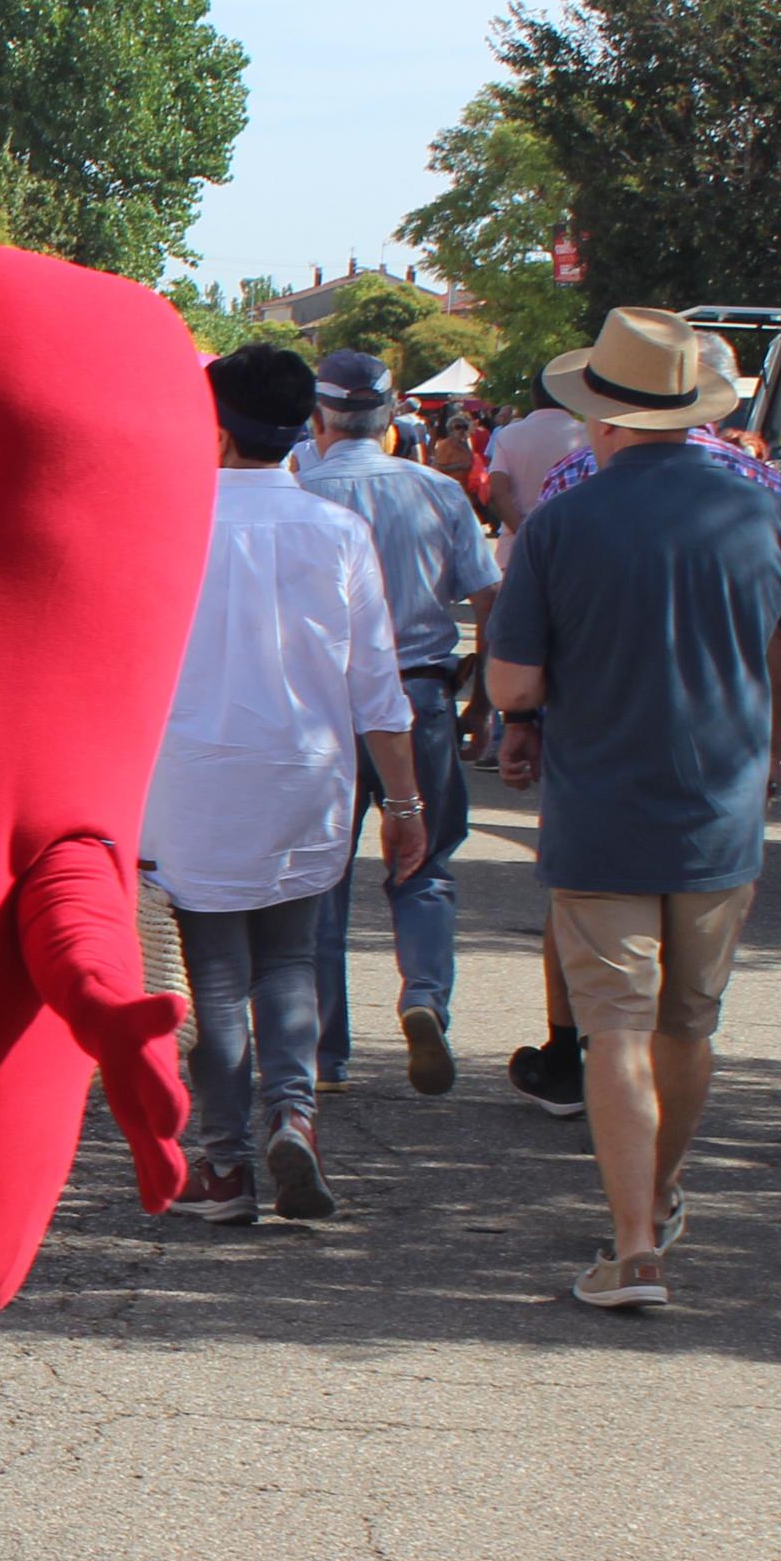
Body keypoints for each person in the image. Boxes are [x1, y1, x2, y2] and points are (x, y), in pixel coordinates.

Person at [486, 308, 781, 1310]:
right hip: (719, 810)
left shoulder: (563, 521)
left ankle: (631, 1242)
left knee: (612, 1026)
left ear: (599, 415)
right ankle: (655, 1198)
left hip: (598, 805)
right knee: (687, 1025)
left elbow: (513, 685)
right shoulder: (760, 508)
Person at [145, 347, 428, 1225]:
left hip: (189, 781)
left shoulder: (164, 527)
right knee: (291, 961)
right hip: (307, 775)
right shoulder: (336, 532)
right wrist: (406, 804)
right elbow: (376, 687)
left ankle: (225, 1168)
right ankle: (293, 1116)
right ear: (306, 427)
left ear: (214, 427)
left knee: (215, 978)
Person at [499, 342, 781, 1120]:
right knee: (684, 1015)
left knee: (604, 977)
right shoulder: (768, 494)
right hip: (721, 770)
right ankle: (660, 1157)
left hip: (599, 770)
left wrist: (520, 721)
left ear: (606, 411)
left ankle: (572, 1057)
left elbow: (523, 660)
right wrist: (771, 742)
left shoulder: (573, 488)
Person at [293, 349, 499, 1095]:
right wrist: (485, 697)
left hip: (318, 705)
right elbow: (486, 597)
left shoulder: (297, 490)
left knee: (320, 878)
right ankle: (422, 997)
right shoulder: (437, 492)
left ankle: (322, 1050)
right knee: (425, 862)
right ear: (388, 420)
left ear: (318, 417)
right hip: (420, 696)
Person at [481, 377, 585, 534]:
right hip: (572, 540)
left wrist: (524, 534)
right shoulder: (586, 435)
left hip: (516, 545)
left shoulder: (509, 434)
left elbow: (497, 490)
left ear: (533, 397)